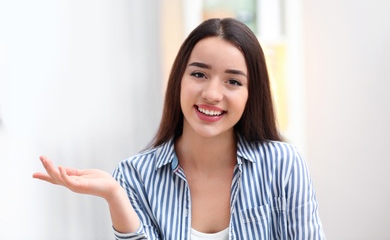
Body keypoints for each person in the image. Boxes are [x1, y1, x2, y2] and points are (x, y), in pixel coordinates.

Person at [33, 18, 325, 239]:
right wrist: (114, 195)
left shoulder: (283, 165)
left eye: (233, 81)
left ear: (252, 93)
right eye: (199, 74)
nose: (212, 93)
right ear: (179, 80)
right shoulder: (134, 177)